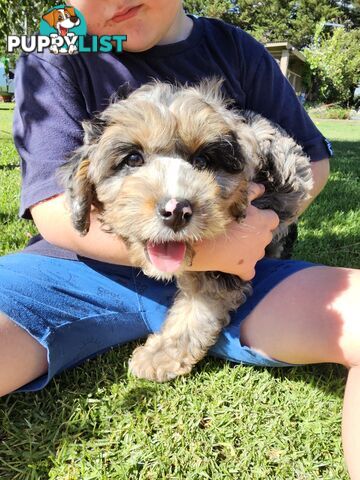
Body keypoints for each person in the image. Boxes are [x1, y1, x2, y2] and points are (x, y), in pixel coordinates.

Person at [0, 1, 359, 476]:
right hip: (76, 268)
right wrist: (214, 249)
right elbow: (53, 207)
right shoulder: (55, 52)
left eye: (205, 157)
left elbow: (309, 164)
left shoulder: (239, 50)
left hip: (237, 270)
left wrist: (255, 223)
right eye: (132, 159)